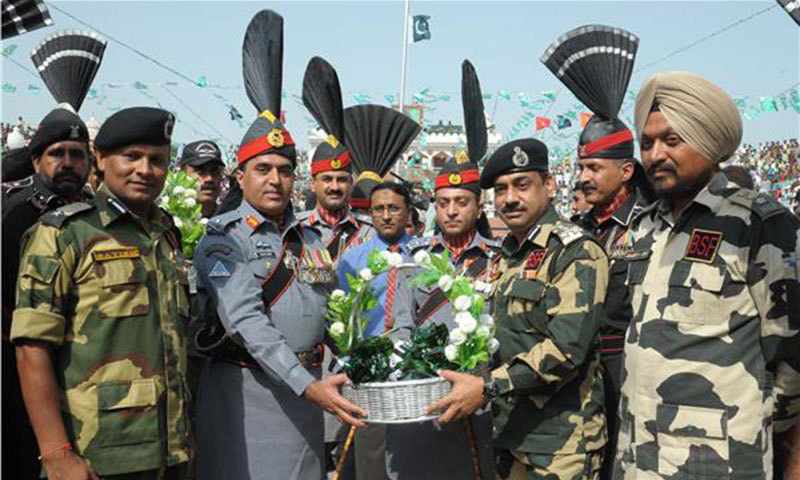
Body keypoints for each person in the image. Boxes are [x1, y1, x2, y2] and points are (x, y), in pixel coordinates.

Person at [191, 11, 364, 480]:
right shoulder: (223, 240)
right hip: (245, 399)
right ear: (240, 175)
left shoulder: (310, 238)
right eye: (263, 169)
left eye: (284, 170)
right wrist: (309, 387)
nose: (275, 179)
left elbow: (333, 312)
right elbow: (247, 321)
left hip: (307, 401)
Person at [614, 71, 800, 480]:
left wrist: (763, 428)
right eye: (647, 143)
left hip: (719, 461)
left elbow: (791, 352)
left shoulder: (757, 224)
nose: (656, 154)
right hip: (637, 456)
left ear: (708, 141)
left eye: (672, 141)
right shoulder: (643, 228)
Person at [11, 107, 192, 480]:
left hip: (170, 451)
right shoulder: (64, 234)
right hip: (97, 455)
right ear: (100, 160)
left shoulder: (166, 233)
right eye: (131, 157)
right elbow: (32, 348)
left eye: (157, 160)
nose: (145, 169)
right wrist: (57, 454)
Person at [428, 138, 609, 480]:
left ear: (550, 185)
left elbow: (567, 350)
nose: (510, 198)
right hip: (511, 435)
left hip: (562, 442)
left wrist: (485, 387)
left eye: (522, 185)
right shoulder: (507, 256)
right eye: (500, 189)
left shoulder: (576, 252)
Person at [541, 25, 653, 479]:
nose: (582, 178)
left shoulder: (652, 224)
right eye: (579, 167)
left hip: (633, 373)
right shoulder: (578, 230)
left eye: (592, 168)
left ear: (626, 171)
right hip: (582, 378)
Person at [386, 60, 499, 480]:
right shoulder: (412, 260)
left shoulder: (498, 258)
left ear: (478, 205)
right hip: (423, 400)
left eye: (462, 201)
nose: (452, 210)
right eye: (444, 202)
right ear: (434, 205)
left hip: (478, 400)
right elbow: (399, 329)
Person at [2, 30, 105, 480]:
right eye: (57, 154)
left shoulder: (97, 214)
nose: (67, 162)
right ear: (38, 160)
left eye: (77, 154)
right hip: (20, 360)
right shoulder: (17, 213)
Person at [299, 56, 374, 476]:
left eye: (342, 179)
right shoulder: (297, 235)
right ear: (313, 183)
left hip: (359, 365)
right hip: (313, 366)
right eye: (326, 179)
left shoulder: (369, 235)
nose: (334, 186)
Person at [179, 140, 225, 218]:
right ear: (182, 175)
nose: (209, 178)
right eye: (200, 171)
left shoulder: (229, 221)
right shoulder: (168, 218)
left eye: (214, 171)